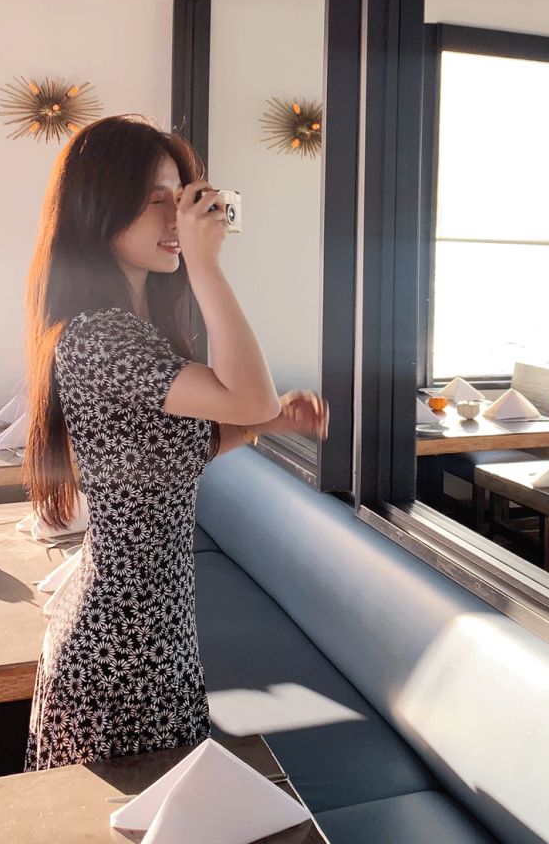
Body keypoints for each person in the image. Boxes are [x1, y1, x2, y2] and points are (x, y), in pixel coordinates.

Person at [22, 115, 328, 770]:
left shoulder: (134, 330)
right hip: (119, 655)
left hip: (153, 635)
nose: (176, 218)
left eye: (182, 198)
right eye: (155, 199)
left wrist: (262, 424)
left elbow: (159, 457)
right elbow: (249, 396)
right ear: (99, 207)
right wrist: (207, 265)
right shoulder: (101, 335)